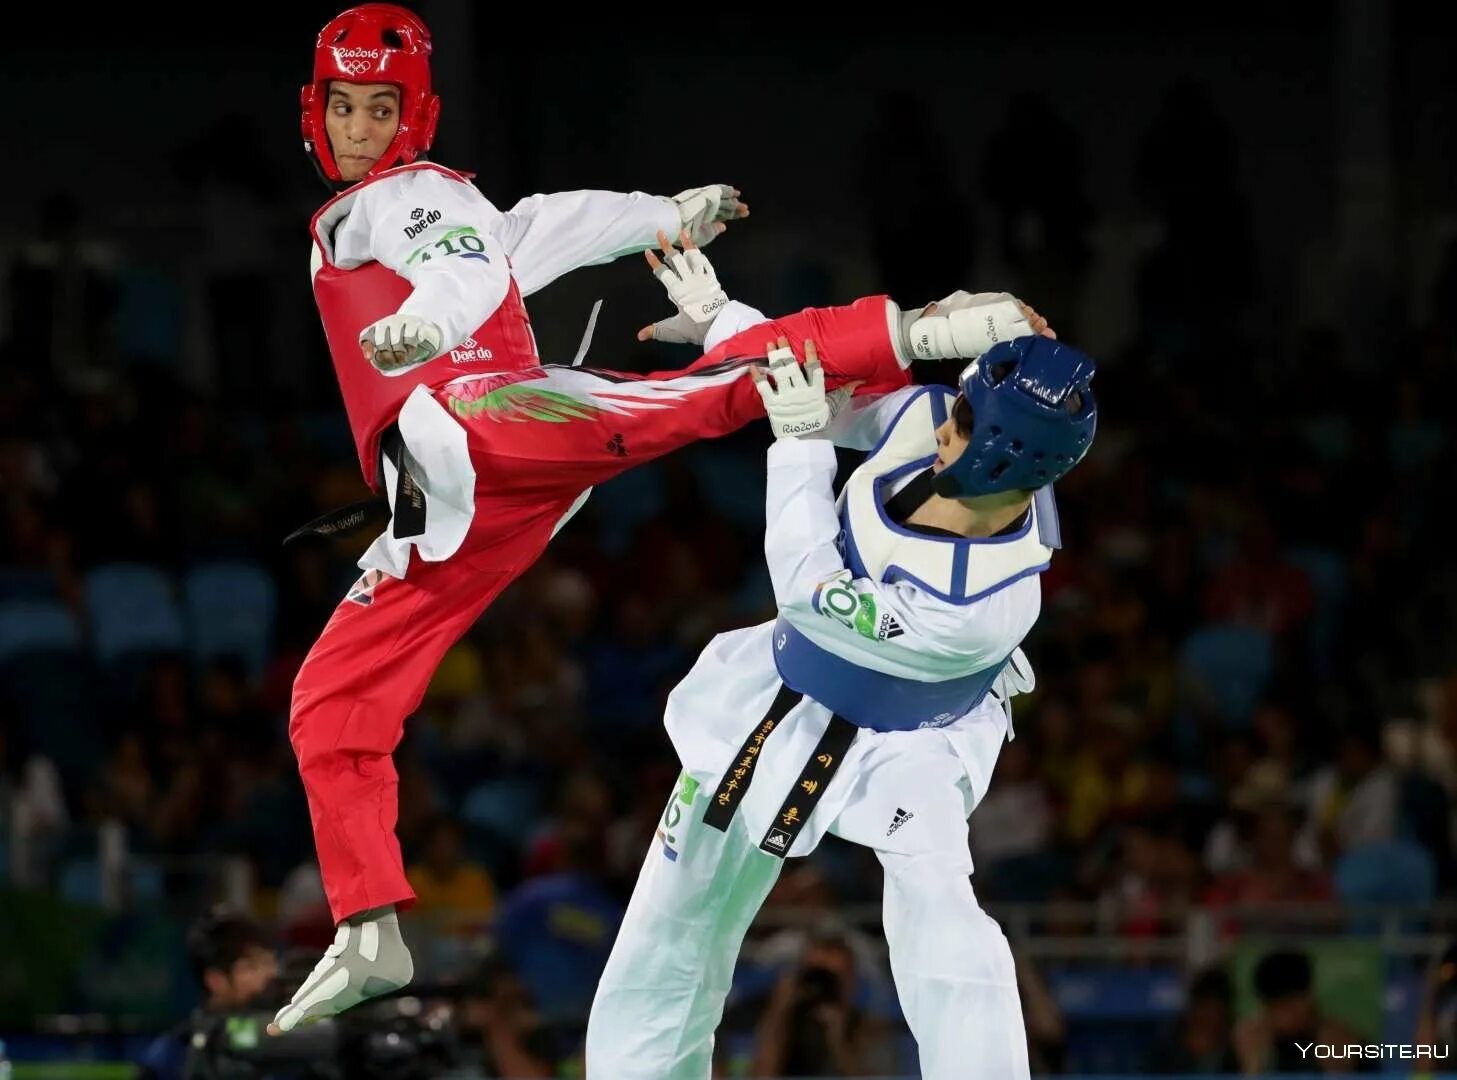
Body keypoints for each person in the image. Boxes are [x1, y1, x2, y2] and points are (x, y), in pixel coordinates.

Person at [277, 5, 994, 1034]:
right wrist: (661, 216)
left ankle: (915, 327)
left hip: (489, 427)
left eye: (375, 106)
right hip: (443, 506)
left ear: (415, 114)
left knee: (697, 398)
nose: (354, 127)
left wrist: (429, 320)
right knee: (330, 697)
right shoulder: (434, 207)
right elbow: (539, 230)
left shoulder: (398, 199)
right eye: (341, 104)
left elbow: (468, 267)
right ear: (315, 108)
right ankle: (368, 927)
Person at [586, 269, 1095, 1078]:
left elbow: (808, 590)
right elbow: (812, 389)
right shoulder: (929, 418)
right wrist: (728, 330)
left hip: (911, 741)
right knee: (668, 922)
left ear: (1002, 455)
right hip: (783, 696)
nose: (942, 418)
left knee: (939, 912)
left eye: (964, 418)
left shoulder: (988, 602)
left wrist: (794, 450)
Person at [138, 907, 278, 1079]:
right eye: (251, 967)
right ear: (215, 979)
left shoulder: (298, 1039)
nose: (270, 974)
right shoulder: (174, 1054)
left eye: (271, 961)